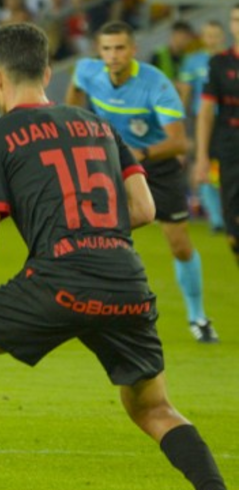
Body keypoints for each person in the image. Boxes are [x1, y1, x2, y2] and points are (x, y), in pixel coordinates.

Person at [0, 22, 239, 490]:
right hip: (125, 282)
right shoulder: (98, 126)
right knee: (152, 407)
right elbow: (145, 208)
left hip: (57, 283)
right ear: (48, 73)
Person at [66, 21, 217, 343]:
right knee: (99, 239)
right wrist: (72, 128)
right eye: (107, 49)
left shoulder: (156, 84)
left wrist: (139, 153)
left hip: (157, 168)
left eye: (120, 48)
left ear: (133, 49)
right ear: (99, 51)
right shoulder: (88, 71)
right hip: (110, 167)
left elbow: (179, 142)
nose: (113, 55)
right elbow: (75, 91)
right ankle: (92, 312)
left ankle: (198, 316)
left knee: (179, 245)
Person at [194, 3, 239, 266]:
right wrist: (201, 156)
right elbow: (206, 111)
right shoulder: (219, 63)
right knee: (233, 229)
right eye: (235, 19)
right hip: (230, 145)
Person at [184, 18, 231, 235]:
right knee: (202, 167)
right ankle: (216, 218)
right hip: (202, 121)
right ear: (202, 37)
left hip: (228, 121)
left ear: (222, 36)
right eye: (208, 35)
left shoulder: (230, 60)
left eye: (215, 35)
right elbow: (186, 94)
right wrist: (184, 126)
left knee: (228, 168)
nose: (211, 39)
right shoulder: (193, 62)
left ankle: (228, 212)